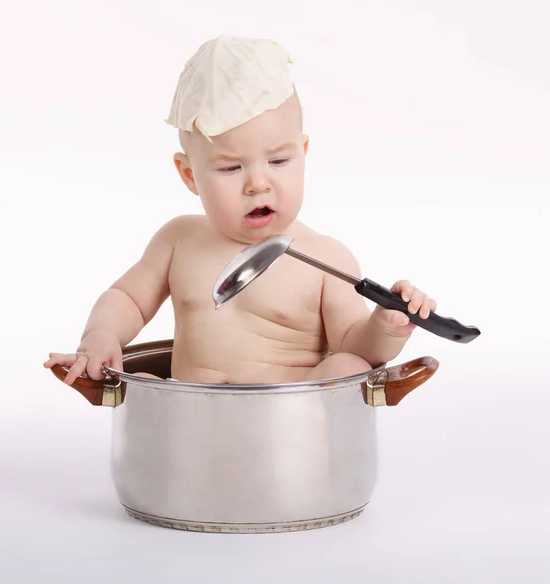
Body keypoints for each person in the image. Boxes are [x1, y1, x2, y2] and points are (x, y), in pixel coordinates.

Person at [44, 34, 436, 386]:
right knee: (143, 382)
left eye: (278, 162)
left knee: (347, 366)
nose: (257, 183)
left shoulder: (325, 257)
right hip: (192, 419)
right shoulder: (179, 239)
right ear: (189, 175)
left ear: (303, 154)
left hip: (291, 425)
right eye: (231, 167)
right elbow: (127, 298)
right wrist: (100, 336)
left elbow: (356, 343)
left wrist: (387, 326)